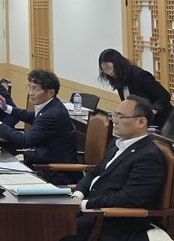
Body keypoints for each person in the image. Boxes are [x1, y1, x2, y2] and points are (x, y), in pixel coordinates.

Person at [61, 96, 165, 241]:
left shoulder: (148, 156)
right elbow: (94, 173)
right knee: (41, 216)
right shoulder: (116, 144)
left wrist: (85, 204)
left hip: (111, 223)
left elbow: (128, 198)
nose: (114, 120)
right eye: (114, 115)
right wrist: (77, 195)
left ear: (141, 122)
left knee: (52, 226)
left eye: (120, 117)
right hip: (91, 212)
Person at [0, 69, 79, 185]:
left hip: (54, 173)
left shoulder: (52, 115)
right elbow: (31, 116)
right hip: (42, 164)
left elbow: (25, 141)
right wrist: (6, 108)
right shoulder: (52, 105)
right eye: (29, 86)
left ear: (50, 92)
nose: (30, 92)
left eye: (35, 88)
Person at [98, 48, 173, 129]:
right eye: (104, 70)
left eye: (109, 68)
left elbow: (164, 95)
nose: (108, 73)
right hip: (143, 123)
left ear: (117, 64)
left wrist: (152, 110)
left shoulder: (140, 76)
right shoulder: (119, 78)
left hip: (164, 121)